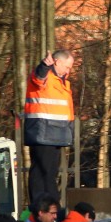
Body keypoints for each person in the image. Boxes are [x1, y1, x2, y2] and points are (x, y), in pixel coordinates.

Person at [23, 49, 75, 204]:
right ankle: (49, 207)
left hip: (55, 134)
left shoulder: (62, 82)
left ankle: (46, 206)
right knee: (45, 172)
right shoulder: (46, 77)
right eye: (67, 66)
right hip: (43, 132)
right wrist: (44, 66)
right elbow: (39, 77)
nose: (69, 70)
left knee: (47, 171)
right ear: (57, 62)